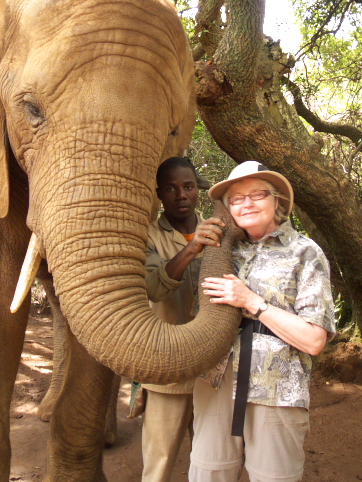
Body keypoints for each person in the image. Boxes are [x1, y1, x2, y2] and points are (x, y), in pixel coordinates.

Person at [190, 161, 336, 482]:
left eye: (257, 194)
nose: (247, 203)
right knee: (207, 474)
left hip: (276, 391)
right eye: (236, 198)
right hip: (215, 385)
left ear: (277, 200)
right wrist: (193, 249)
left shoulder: (305, 252)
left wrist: (251, 302)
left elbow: (314, 341)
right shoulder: (221, 250)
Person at [142, 157, 225, 482]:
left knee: (214, 463)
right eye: (170, 188)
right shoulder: (148, 236)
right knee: (159, 464)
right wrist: (192, 249)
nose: (181, 195)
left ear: (198, 190)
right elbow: (153, 288)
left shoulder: (221, 232)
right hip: (168, 369)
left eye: (188, 186)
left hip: (213, 369)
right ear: (159, 193)